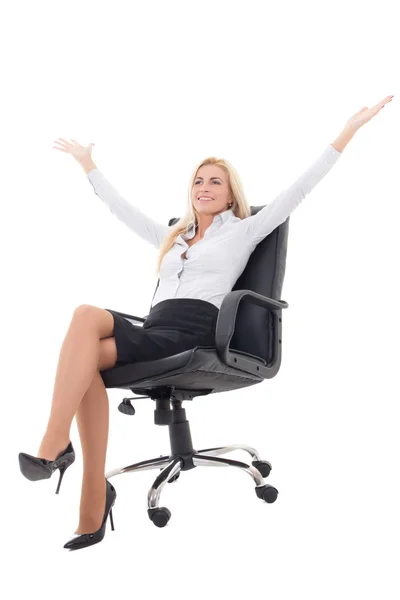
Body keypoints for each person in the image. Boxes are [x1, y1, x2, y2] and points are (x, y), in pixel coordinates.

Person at [18, 94, 394, 550]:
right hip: (156, 330)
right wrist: (87, 163)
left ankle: (57, 449)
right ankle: (91, 493)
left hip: (198, 331)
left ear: (231, 192)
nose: (204, 187)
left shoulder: (244, 229)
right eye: (198, 181)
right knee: (86, 362)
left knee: (84, 317)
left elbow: (300, 189)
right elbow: (119, 209)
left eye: (215, 181)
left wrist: (348, 130)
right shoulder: (172, 236)